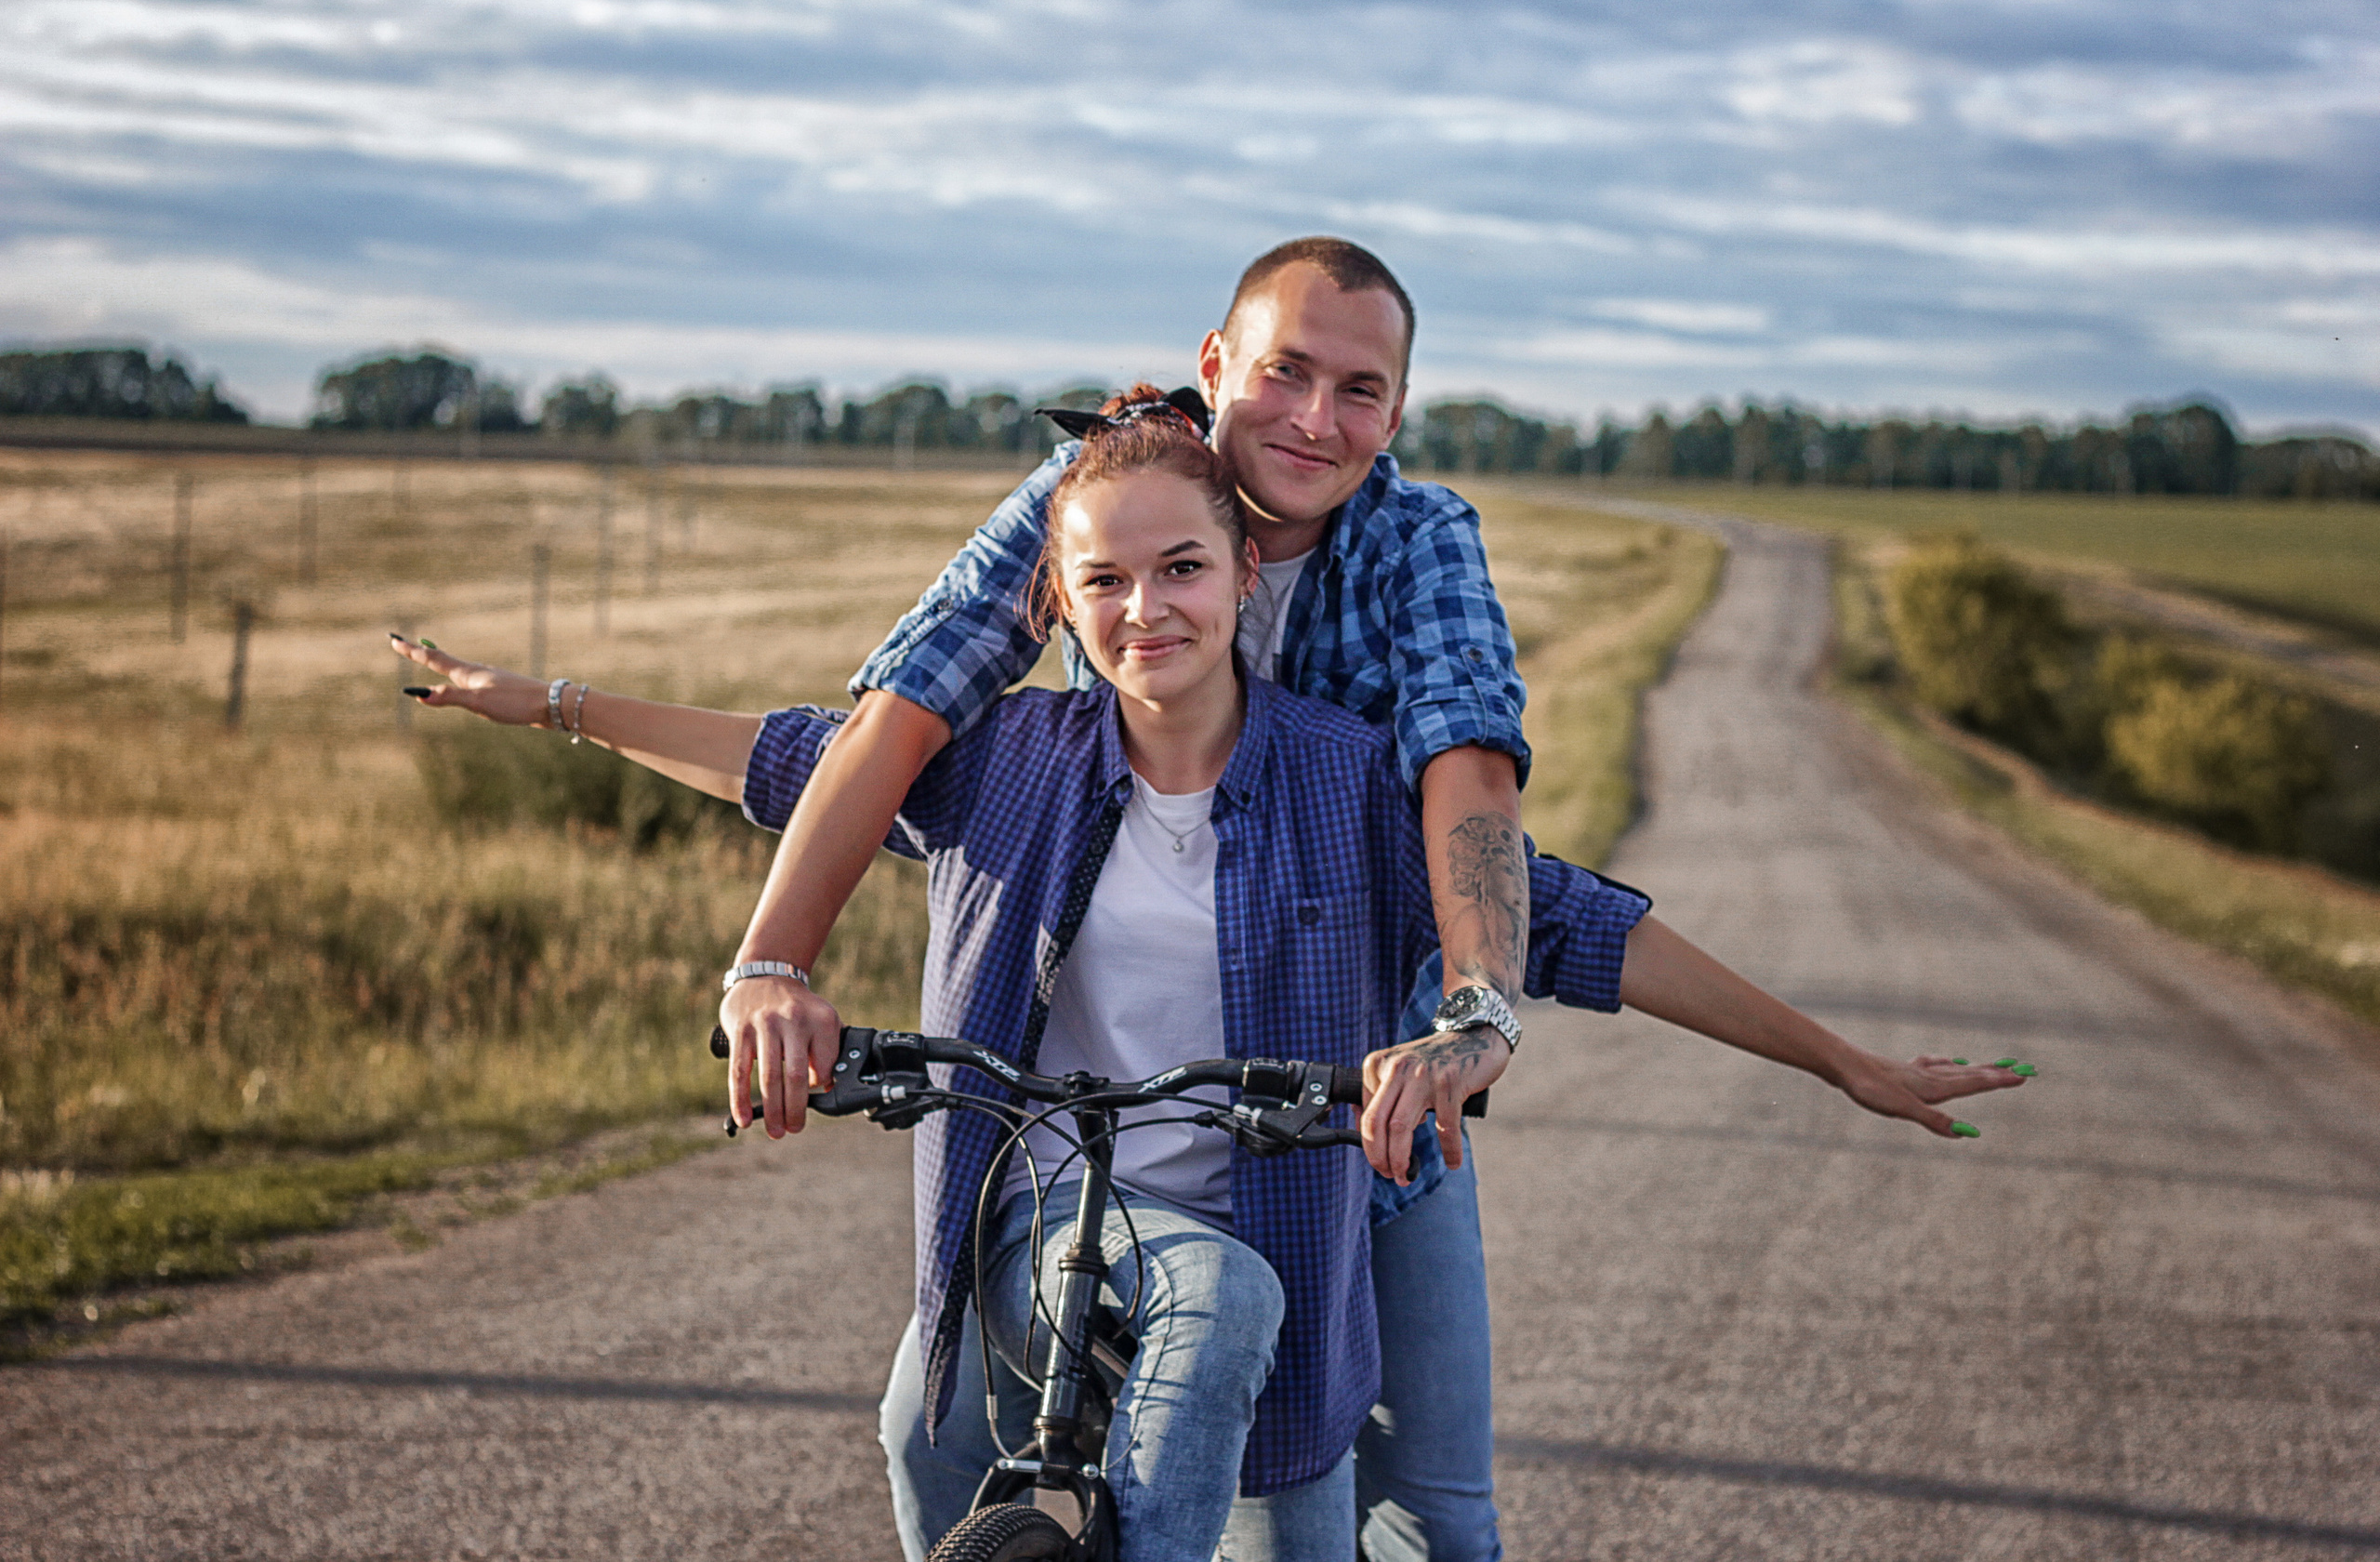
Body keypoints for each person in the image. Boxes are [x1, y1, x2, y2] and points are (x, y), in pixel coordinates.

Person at [394, 391, 2027, 1561]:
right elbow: (788, 760)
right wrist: (545, 702)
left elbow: (1578, 921)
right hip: (1034, 1208)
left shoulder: (1341, 784)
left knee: (1298, 1425)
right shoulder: (1011, 760)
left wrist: (1842, 1063)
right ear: (1059, 602)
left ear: (1249, 578)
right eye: (1102, 580)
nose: (1144, 606)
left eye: (1183, 568)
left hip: (1280, 1227)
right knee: (917, 1432)